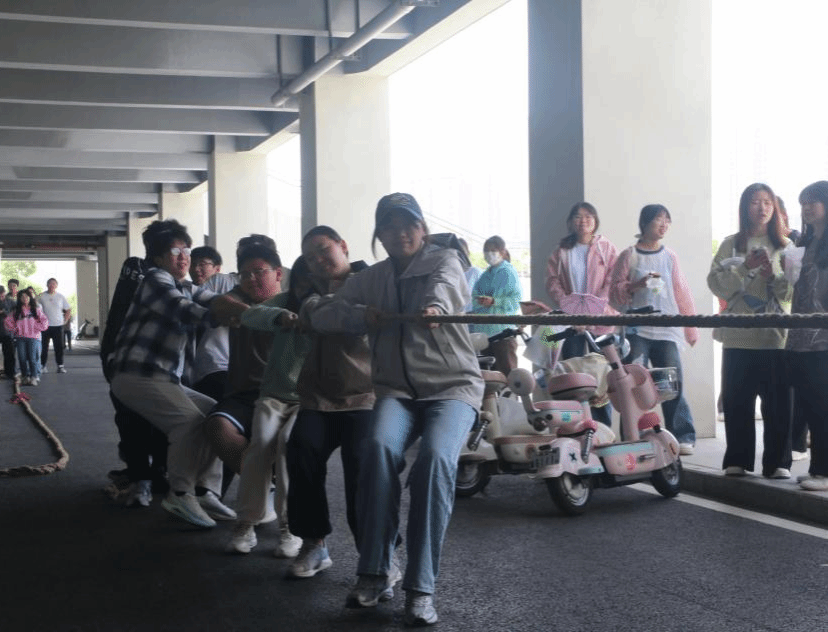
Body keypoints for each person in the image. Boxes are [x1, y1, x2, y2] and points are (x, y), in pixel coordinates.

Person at [309, 193, 484, 627]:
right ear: (379, 235)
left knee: (434, 461)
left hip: (453, 388)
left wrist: (435, 309)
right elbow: (323, 314)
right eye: (389, 225)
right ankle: (375, 571)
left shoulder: (445, 260)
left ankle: (421, 587)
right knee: (376, 450)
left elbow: (447, 288)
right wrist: (360, 316)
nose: (399, 232)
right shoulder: (374, 278)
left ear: (422, 229)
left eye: (408, 224)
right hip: (396, 391)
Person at [108, 219, 247, 528]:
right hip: (137, 374)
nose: (184, 257)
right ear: (159, 257)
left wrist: (248, 309)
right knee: (189, 422)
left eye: (186, 250)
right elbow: (184, 309)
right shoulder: (154, 279)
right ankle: (181, 493)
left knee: (214, 414)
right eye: (174, 251)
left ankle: (204, 491)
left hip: (163, 377)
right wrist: (230, 317)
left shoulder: (185, 286)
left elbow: (214, 300)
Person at [284, 225, 374, 580]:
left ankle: (376, 552)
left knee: (362, 467)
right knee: (301, 451)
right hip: (317, 399)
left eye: (324, 250)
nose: (319, 260)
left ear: (343, 246)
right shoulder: (308, 293)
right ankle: (314, 543)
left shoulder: (371, 283)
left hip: (365, 397)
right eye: (310, 258)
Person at [221, 255, 314, 557]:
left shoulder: (328, 306)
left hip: (311, 399)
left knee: (288, 447)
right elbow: (252, 315)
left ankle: (290, 526)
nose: (305, 286)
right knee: (259, 445)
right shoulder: (284, 301)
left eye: (311, 280)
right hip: (273, 395)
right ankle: (246, 522)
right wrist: (280, 317)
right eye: (301, 279)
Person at [707, 183, 793, 478]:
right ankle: (738, 459)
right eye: (755, 202)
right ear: (745, 207)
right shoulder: (730, 245)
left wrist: (773, 275)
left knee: (778, 405)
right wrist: (744, 267)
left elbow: (790, 293)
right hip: (737, 336)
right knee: (737, 402)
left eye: (767, 202)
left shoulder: (786, 246)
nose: (762, 207)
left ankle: (778, 462)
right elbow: (717, 285)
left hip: (775, 337)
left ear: (775, 208)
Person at [610, 204, 698, 453]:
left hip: (666, 329)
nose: (663, 225)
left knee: (671, 384)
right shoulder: (629, 255)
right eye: (659, 219)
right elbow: (614, 293)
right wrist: (635, 285)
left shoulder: (670, 256)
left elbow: (681, 291)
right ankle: (632, 435)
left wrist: (691, 328)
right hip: (637, 330)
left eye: (667, 220)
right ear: (645, 223)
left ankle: (682, 436)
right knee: (633, 385)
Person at [100, 244, 168, 508]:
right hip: (125, 364)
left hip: (160, 368)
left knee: (159, 423)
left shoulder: (175, 284)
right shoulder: (138, 269)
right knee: (131, 420)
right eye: (176, 251)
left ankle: (156, 471)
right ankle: (141, 477)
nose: (183, 258)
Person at [546, 202, 619, 426]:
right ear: (570, 222)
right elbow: (552, 281)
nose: (583, 221)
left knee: (602, 375)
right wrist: (570, 308)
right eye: (578, 217)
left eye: (588, 216)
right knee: (573, 375)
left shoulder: (606, 248)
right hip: (572, 322)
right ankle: (576, 426)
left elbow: (612, 279)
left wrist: (594, 308)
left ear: (595, 221)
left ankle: (603, 429)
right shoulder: (561, 251)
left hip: (601, 320)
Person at [785, 181, 828, 490]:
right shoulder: (805, 242)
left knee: (823, 405)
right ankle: (817, 469)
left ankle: (824, 472)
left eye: (813, 201)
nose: (807, 207)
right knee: (811, 404)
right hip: (801, 335)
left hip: (824, 337)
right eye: (803, 202)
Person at [468, 235, 523, 374]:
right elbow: (474, 297)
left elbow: (515, 301)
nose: (489, 254)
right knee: (489, 377)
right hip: (485, 335)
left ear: (503, 252)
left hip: (503, 333)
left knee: (507, 376)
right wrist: (481, 302)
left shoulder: (509, 272)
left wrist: (494, 301)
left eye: (493, 250)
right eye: (486, 251)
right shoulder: (485, 275)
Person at [4, 290, 48, 386]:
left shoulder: (35, 309)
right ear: (19, 299)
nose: (25, 299)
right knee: (22, 358)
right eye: (22, 297)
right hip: (20, 338)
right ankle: (25, 376)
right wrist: (15, 329)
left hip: (33, 338)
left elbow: (44, 321)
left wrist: (36, 327)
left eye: (27, 296)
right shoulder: (16, 311)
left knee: (33, 358)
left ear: (30, 298)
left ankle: (34, 376)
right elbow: (7, 321)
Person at [38, 278, 71, 374]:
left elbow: (68, 309)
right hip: (45, 326)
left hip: (58, 325)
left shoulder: (60, 296)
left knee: (59, 347)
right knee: (44, 347)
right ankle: (42, 366)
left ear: (56, 285)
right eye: (50, 283)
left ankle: (60, 366)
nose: (51, 285)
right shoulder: (41, 296)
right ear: (47, 285)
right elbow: (36, 309)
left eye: (53, 284)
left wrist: (65, 320)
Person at [457, 238, 482, 313]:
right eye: (457, 253)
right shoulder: (448, 273)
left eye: (462, 252)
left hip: (472, 314)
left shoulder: (475, 272)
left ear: (468, 253)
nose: (460, 256)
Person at [0, 285, 16, 379]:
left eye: (2, 294)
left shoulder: (10, 302)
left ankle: (10, 373)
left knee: (9, 353)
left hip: (7, 331)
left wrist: (4, 312)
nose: (1, 296)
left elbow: (16, 313)